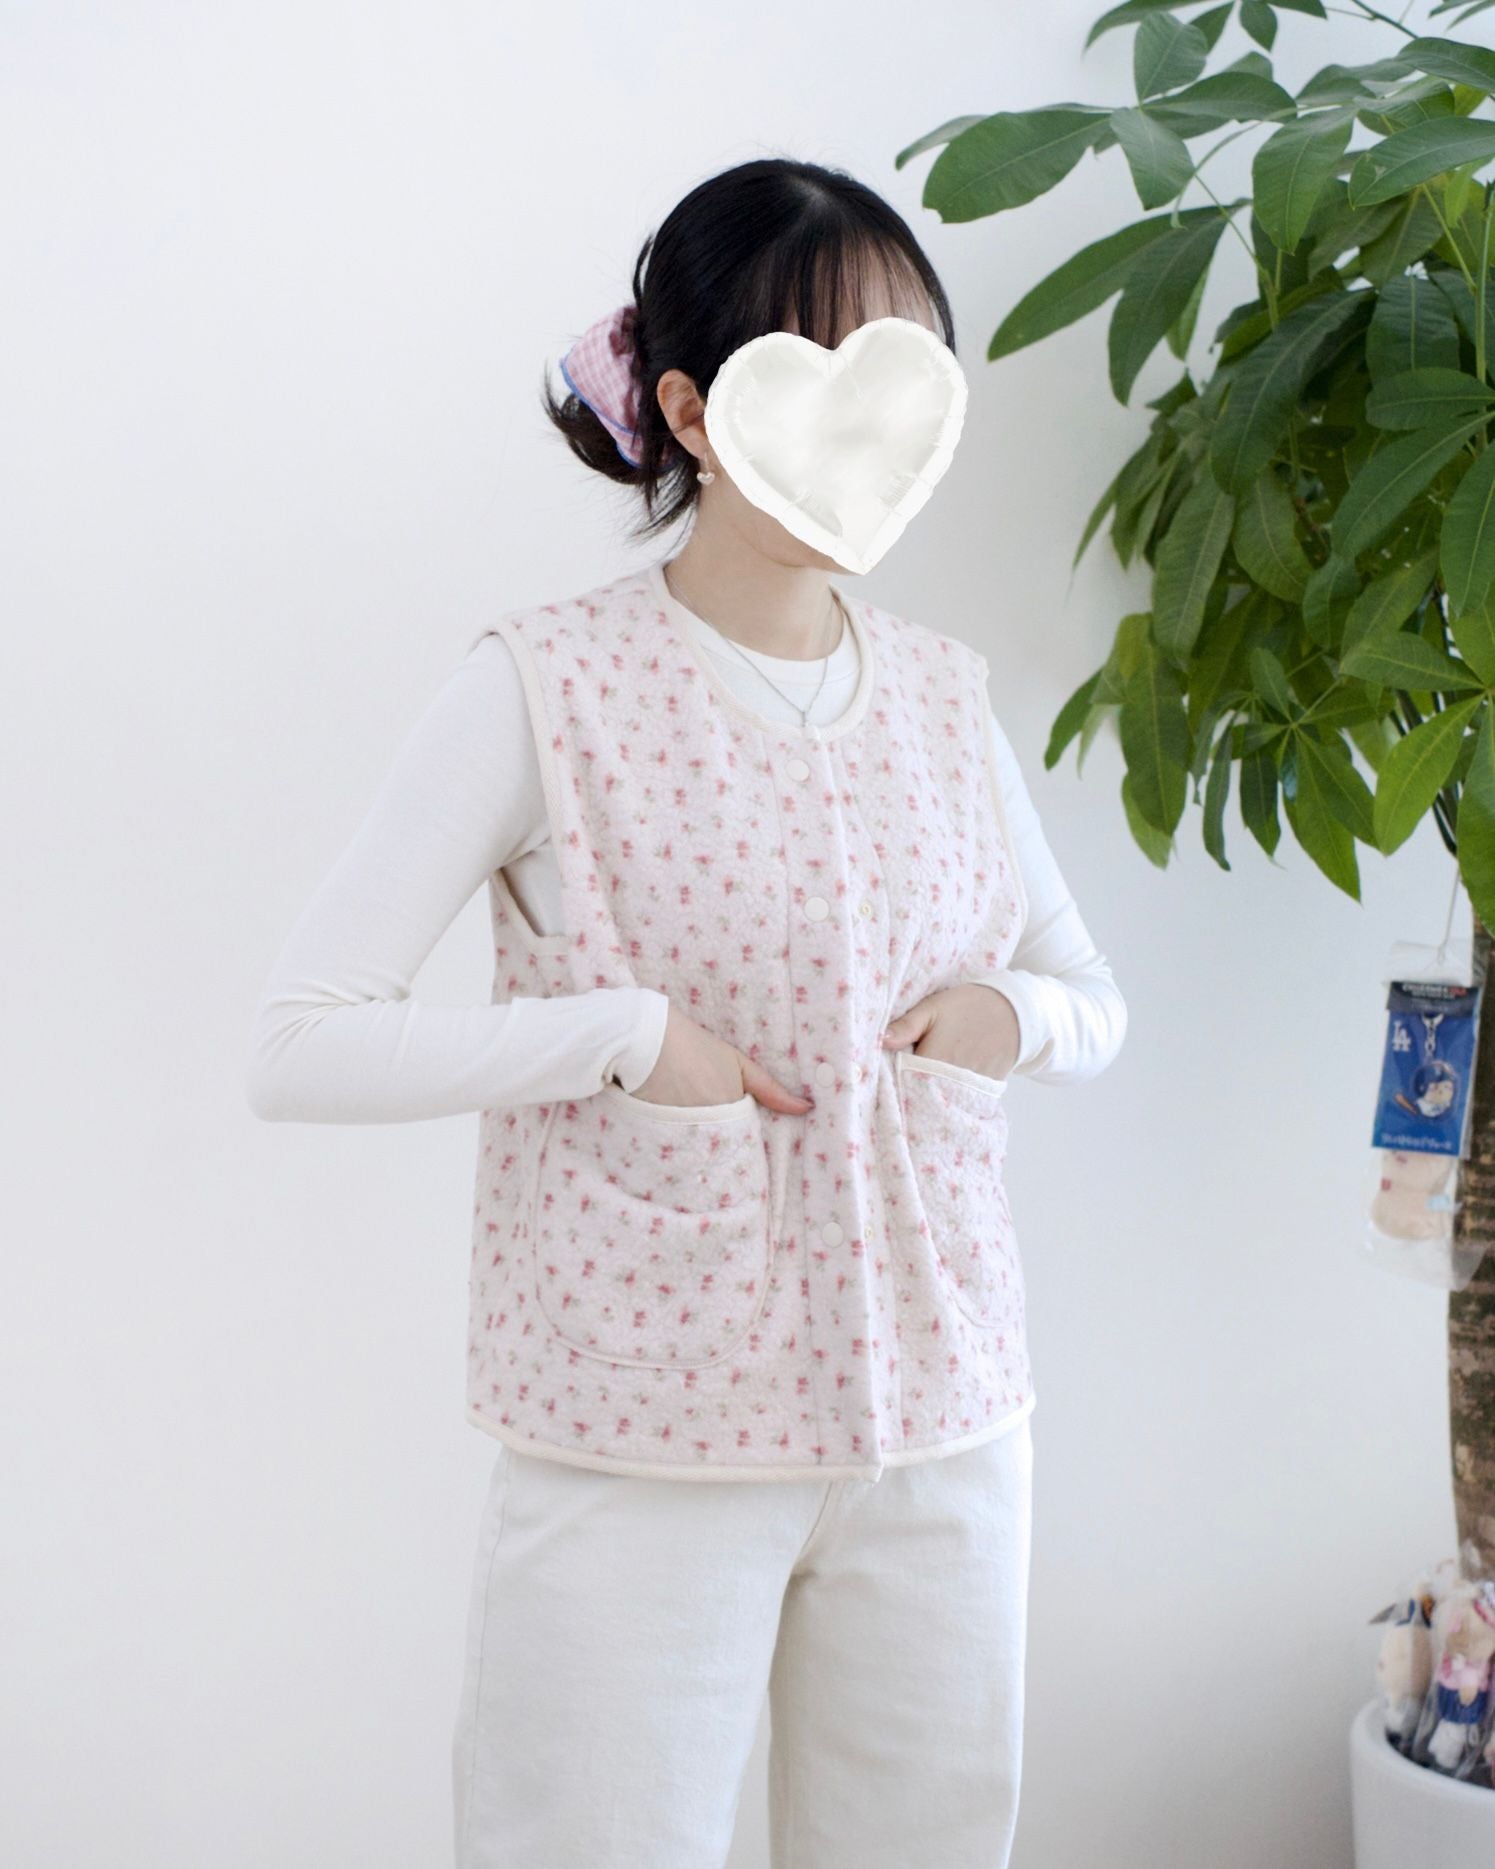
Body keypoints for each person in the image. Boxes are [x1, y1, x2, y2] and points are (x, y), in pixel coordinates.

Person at [245, 155, 1128, 1869]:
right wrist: (622, 1037)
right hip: (647, 1433)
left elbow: (1091, 999)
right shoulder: (545, 687)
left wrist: (1011, 1020)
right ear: (690, 410)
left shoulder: (944, 700)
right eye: (816, 380)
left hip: (944, 1425)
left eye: (898, 383)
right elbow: (302, 1038)